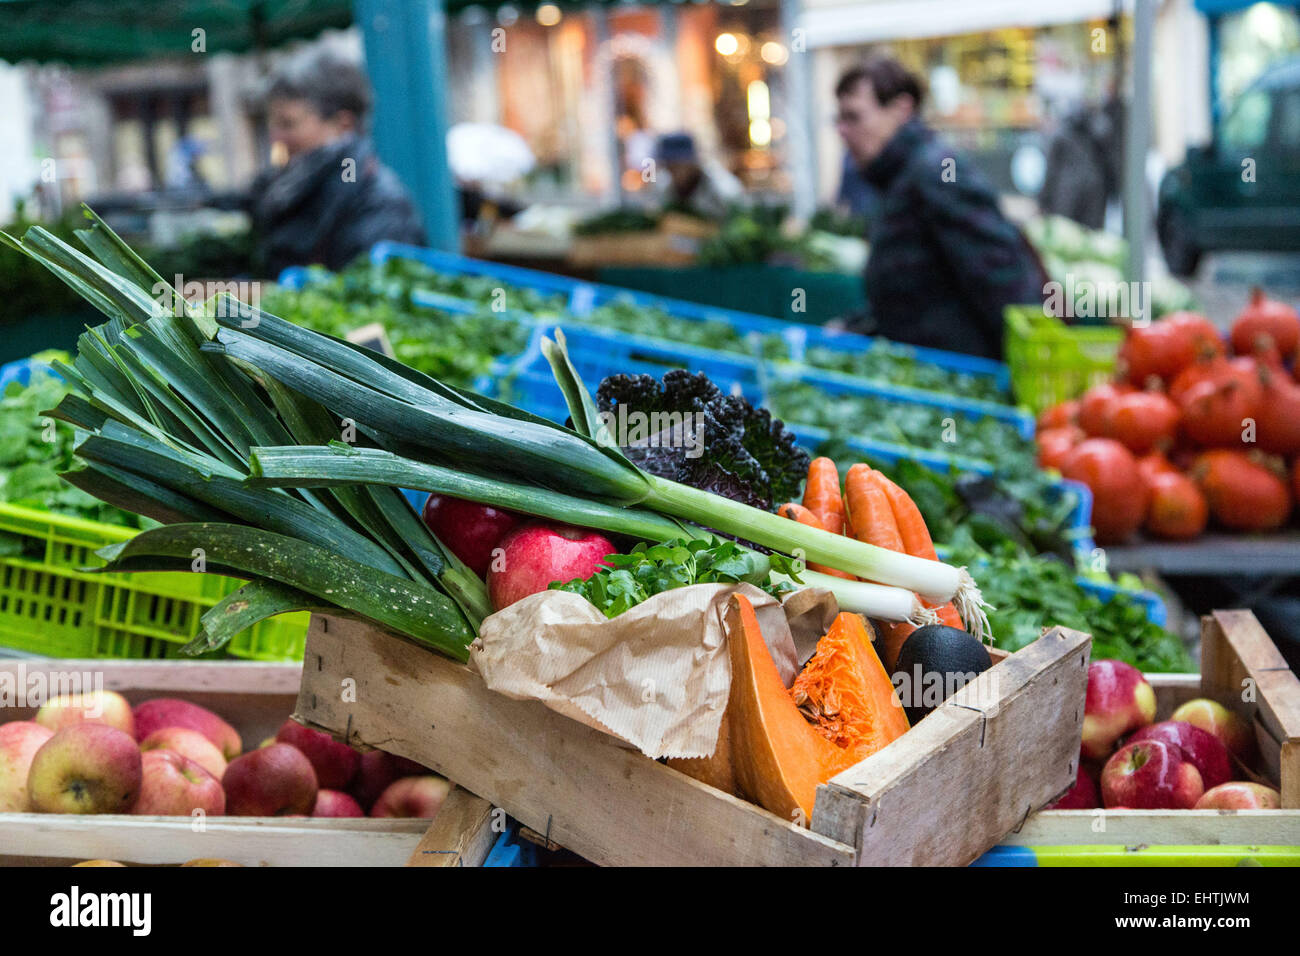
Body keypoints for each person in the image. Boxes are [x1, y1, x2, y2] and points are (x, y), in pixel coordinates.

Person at [834, 56, 1045, 360]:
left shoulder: (936, 173)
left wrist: (1024, 364)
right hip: (931, 374)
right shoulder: (897, 178)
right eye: (839, 119)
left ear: (902, 110)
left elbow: (1004, 280)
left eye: (853, 117)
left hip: (964, 384)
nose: (842, 130)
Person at [250, 50, 425, 278]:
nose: (276, 137)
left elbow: (366, 298)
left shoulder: (379, 203)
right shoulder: (294, 183)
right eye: (273, 124)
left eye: (288, 124)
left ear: (343, 125)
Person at [652, 132, 745, 219]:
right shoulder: (665, 185)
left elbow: (738, 214)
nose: (673, 170)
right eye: (669, 165)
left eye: (677, 164)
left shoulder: (721, 185)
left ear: (692, 161)